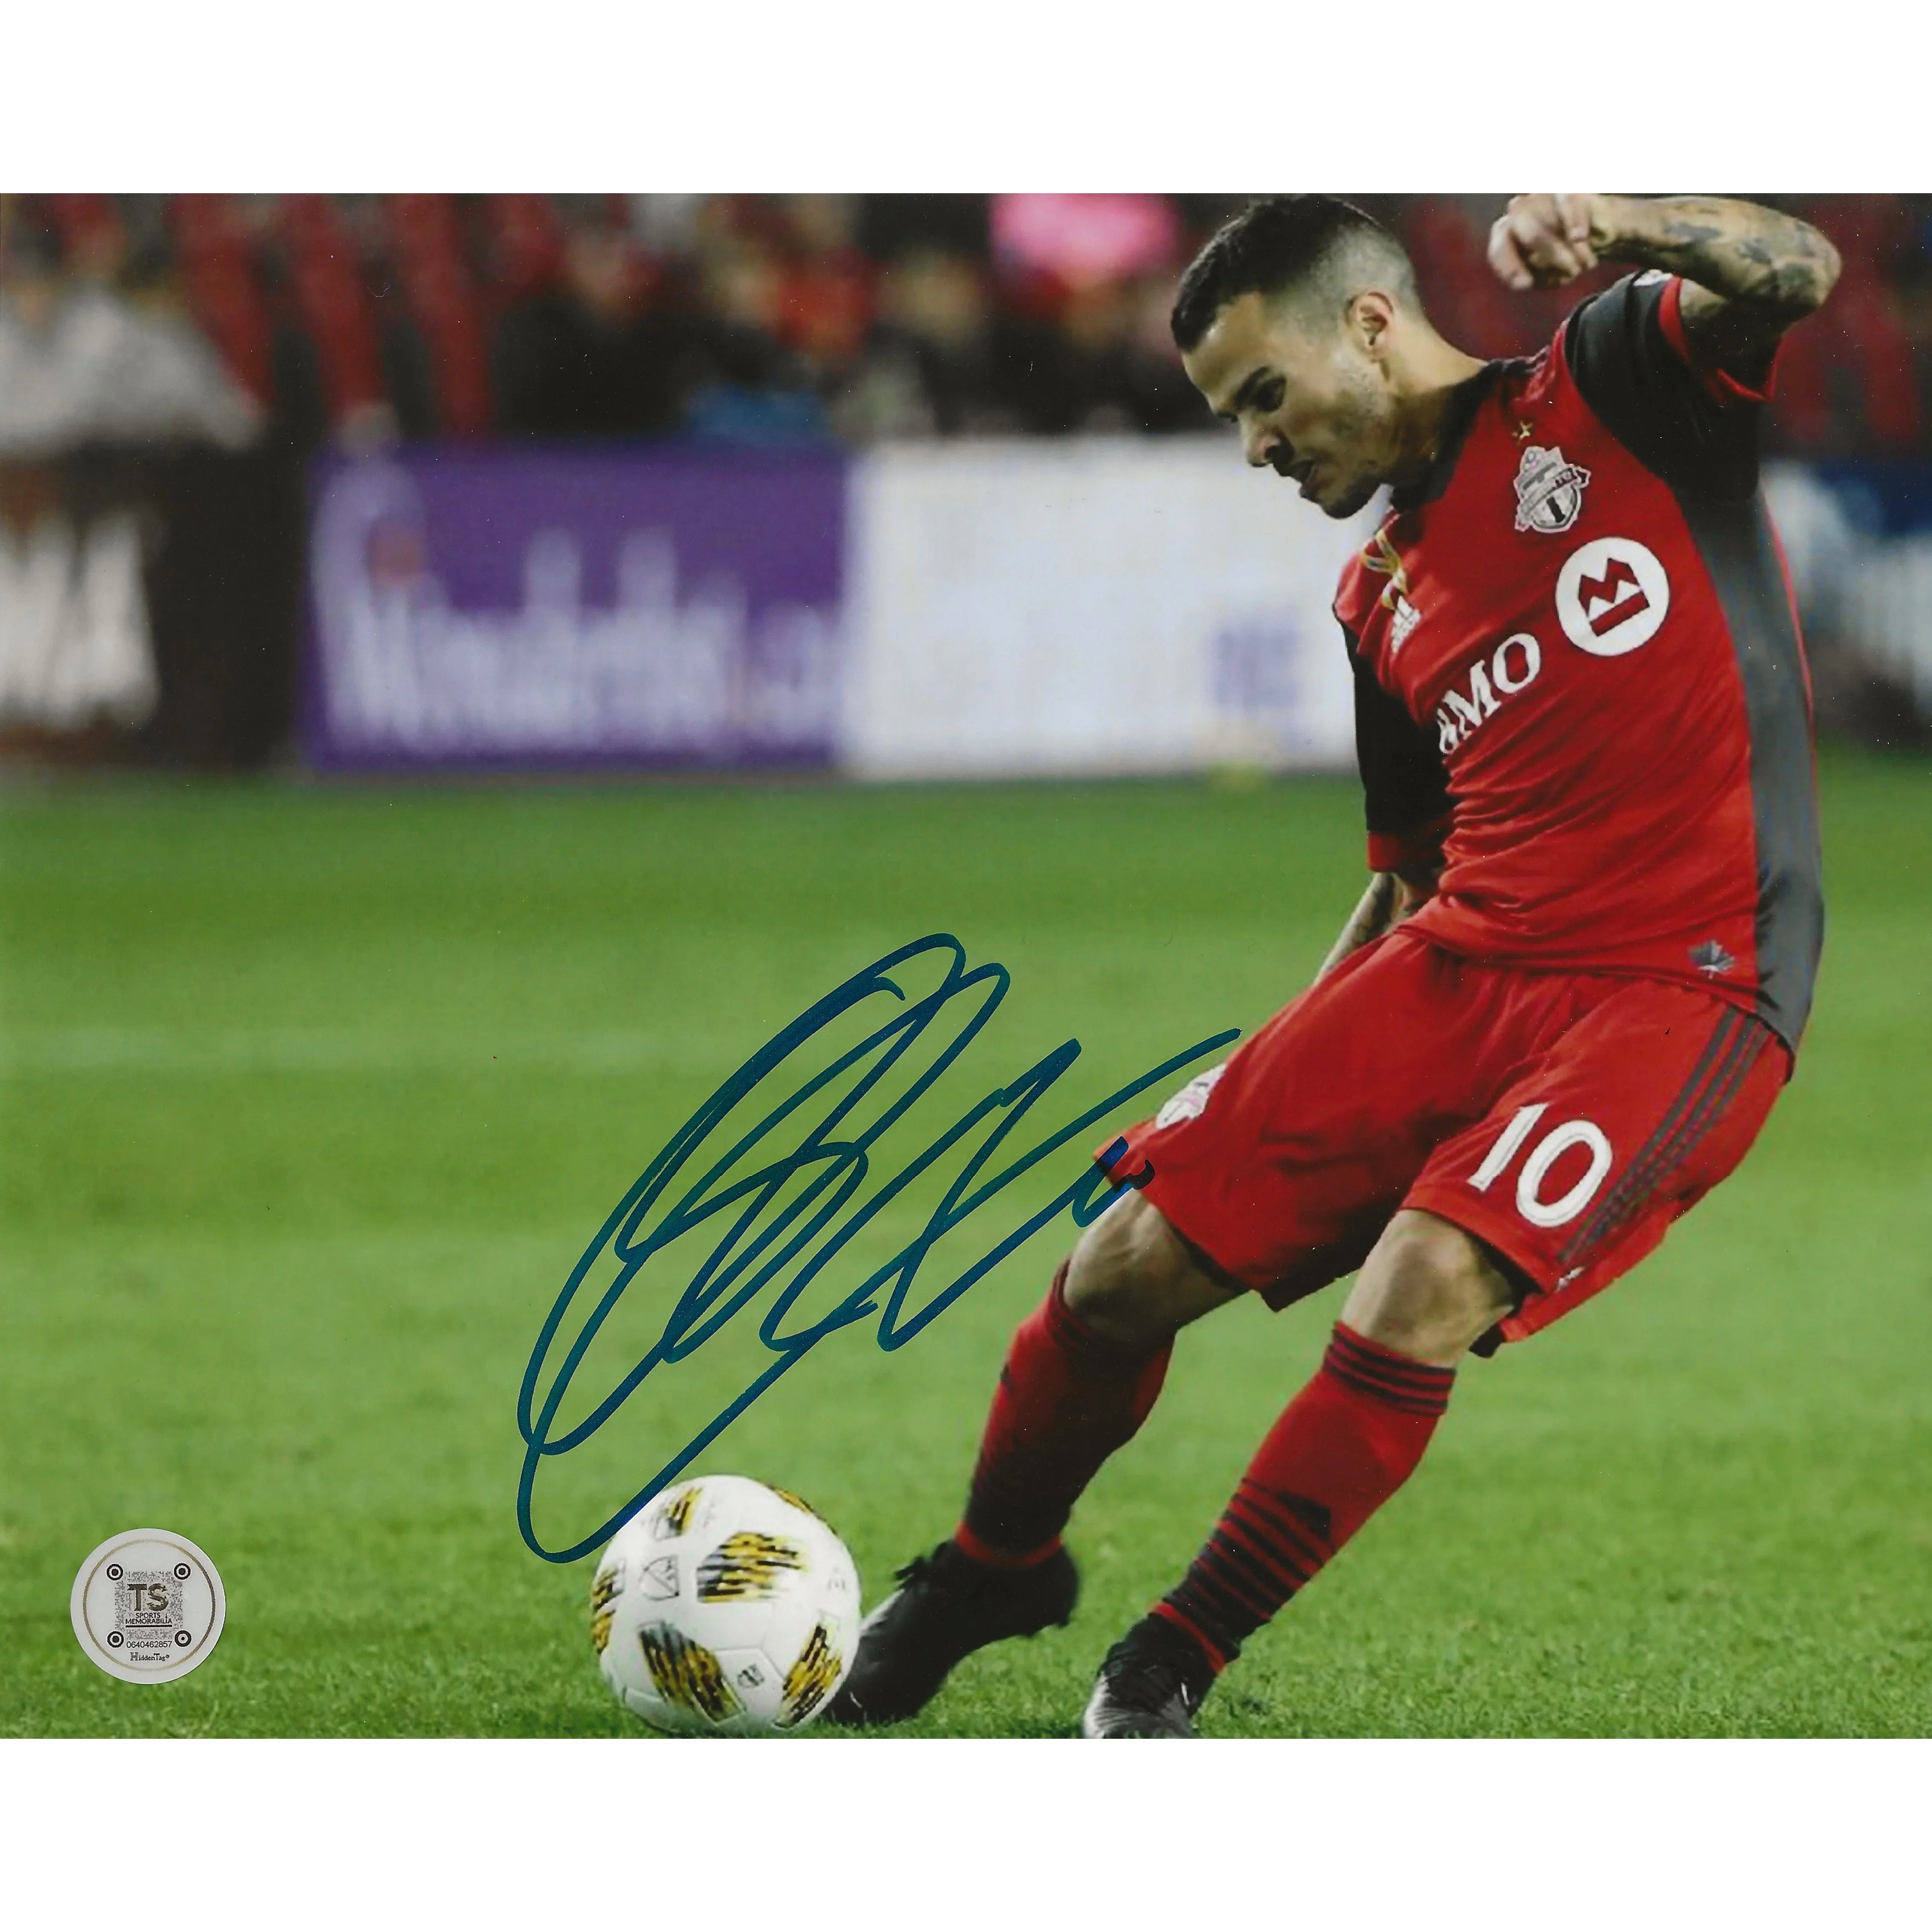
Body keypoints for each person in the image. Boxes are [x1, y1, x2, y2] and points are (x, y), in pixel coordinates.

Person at [825, 193, 1838, 1737]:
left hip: (1682, 978)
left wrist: (1622, 215)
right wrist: (1264, 1064)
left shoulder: (1613, 387)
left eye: (1261, 397)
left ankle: (1171, 1655)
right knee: (1115, 1265)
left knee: (1419, 1284)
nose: (1254, 446)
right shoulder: (1377, 598)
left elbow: (1799, 270)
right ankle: (992, 1567)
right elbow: (1409, 884)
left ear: (1368, 325)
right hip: (1461, 957)